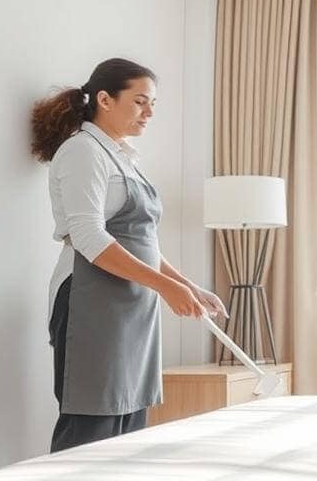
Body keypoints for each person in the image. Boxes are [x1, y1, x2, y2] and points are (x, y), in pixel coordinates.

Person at [30, 58, 224, 452]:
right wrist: (165, 287)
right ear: (105, 99)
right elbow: (88, 237)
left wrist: (187, 286)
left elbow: (143, 242)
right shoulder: (83, 152)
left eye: (152, 103)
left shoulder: (124, 157)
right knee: (91, 427)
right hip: (90, 303)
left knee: (130, 426)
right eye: (140, 101)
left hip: (131, 305)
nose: (149, 112)